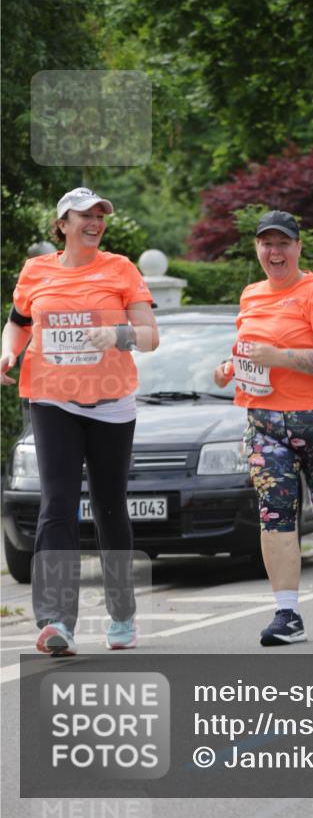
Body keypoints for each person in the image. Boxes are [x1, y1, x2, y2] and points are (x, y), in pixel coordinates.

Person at [0, 187, 159, 655]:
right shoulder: (37, 271)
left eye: (99, 215)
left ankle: (122, 612)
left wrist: (115, 333)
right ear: (62, 224)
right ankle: (56, 622)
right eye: (82, 216)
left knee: (110, 508)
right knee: (57, 504)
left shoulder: (121, 269)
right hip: (51, 399)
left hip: (111, 402)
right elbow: (18, 321)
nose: (93, 222)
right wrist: (8, 350)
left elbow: (151, 336)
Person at [214, 210, 313, 647]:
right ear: (257, 249)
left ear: (298, 248)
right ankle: (287, 614)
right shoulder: (251, 295)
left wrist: (280, 357)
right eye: (266, 243)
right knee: (275, 514)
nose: (274, 251)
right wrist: (232, 367)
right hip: (265, 423)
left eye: (283, 243)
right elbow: (253, 350)